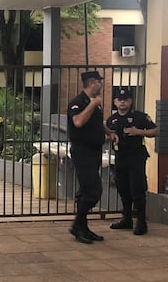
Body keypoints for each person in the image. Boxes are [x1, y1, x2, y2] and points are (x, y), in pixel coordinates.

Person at [66, 70, 113, 245]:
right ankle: (77, 225)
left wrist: (109, 132)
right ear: (92, 83)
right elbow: (78, 122)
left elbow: (96, 123)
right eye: (100, 82)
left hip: (94, 151)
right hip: (82, 152)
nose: (102, 85)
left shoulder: (95, 104)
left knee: (85, 191)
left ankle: (83, 228)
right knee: (94, 191)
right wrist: (92, 105)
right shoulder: (77, 103)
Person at [106, 87, 159, 235]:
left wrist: (139, 132)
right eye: (119, 99)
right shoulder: (112, 120)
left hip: (136, 158)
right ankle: (127, 219)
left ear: (131, 101)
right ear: (115, 102)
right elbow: (106, 136)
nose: (122, 102)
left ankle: (141, 222)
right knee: (123, 189)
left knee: (138, 189)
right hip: (120, 159)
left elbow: (156, 131)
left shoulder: (140, 117)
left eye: (126, 99)